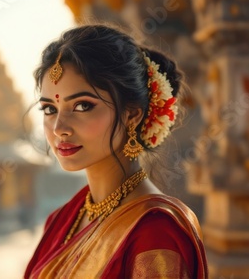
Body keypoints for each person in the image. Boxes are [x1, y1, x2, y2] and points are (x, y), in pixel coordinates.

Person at [24, 25, 208, 278]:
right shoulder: (62, 219)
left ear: (131, 115)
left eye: (82, 106)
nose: (59, 128)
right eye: (49, 109)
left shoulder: (155, 232)